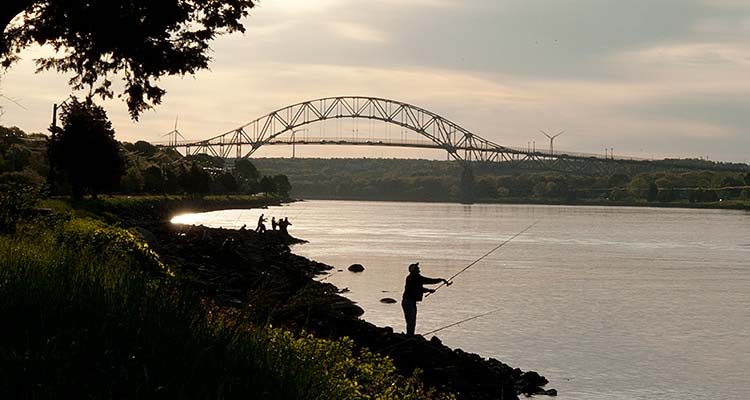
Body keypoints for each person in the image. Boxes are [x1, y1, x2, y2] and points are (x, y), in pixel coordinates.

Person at [401, 262, 450, 336]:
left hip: (410, 302)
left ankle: (410, 336)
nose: (419, 269)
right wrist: (441, 280)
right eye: (417, 268)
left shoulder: (415, 277)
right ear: (413, 270)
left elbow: (418, 288)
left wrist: (429, 290)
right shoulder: (414, 277)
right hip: (408, 302)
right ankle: (409, 336)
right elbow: (428, 281)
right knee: (411, 321)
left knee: (412, 321)